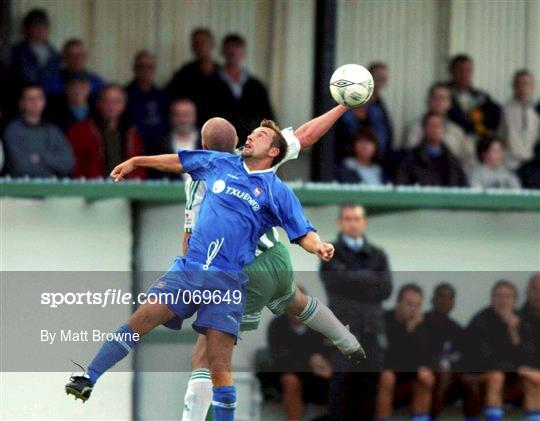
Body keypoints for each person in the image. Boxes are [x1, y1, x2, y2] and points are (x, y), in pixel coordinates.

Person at [65, 117, 336, 421]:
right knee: (140, 320)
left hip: (228, 281)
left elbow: (302, 232)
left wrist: (319, 245)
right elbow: (177, 161)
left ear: (273, 152)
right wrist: (136, 161)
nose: (249, 137)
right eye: (250, 133)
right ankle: (88, 377)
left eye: (258, 135)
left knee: (219, 368)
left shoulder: (277, 192)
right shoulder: (220, 163)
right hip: (190, 269)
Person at [180, 106, 367, 421]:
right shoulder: (256, 158)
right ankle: (345, 339)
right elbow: (306, 135)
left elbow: (190, 236)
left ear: (202, 146)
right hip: (277, 257)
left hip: (245, 272)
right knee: (294, 299)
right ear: (239, 140)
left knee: (205, 358)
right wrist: (343, 105)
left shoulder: (198, 179)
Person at [321, 204, 392, 420]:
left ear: (364, 222)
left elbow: (386, 288)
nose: (353, 223)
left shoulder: (378, 254)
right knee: (340, 391)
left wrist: (350, 276)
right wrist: (370, 278)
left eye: (357, 219)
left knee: (369, 392)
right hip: (342, 331)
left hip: (372, 332)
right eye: (348, 219)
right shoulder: (329, 251)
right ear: (340, 223)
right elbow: (334, 281)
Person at [465, 280, 535, 421]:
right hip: (480, 375)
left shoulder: (522, 320)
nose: (503, 300)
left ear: (515, 301)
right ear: (492, 299)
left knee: (535, 377)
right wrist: (516, 368)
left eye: (508, 296)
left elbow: (530, 357)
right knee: (496, 376)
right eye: (498, 296)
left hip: (511, 375)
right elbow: (485, 360)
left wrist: (513, 332)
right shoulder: (480, 320)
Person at [375, 284, 435, 421]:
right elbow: (385, 357)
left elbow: (424, 358)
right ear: (398, 303)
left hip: (407, 370)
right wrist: (407, 331)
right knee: (387, 376)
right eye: (409, 304)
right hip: (382, 371)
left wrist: (413, 332)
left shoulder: (421, 326)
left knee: (426, 377)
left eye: (417, 306)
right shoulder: (383, 320)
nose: (413, 310)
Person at [67, 84, 144, 179]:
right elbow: (74, 166)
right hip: (93, 188)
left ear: (124, 105)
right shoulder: (81, 130)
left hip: (128, 188)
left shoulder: (132, 133)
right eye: (107, 101)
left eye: (117, 101)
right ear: (99, 103)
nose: (111, 106)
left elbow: (139, 166)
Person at [268, 311, 332, 421]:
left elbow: (328, 349)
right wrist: (309, 361)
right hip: (290, 372)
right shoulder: (277, 325)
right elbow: (281, 357)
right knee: (290, 380)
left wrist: (324, 362)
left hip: (317, 373)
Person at [212, 33, 274, 142]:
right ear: (223, 52)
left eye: (236, 49)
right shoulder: (209, 84)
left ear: (243, 53)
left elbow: (268, 118)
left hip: (252, 144)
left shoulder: (256, 86)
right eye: (229, 49)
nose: (233, 53)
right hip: (220, 144)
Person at [3, 85, 73, 177]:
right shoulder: (13, 130)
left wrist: (40, 157)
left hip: (52, 187)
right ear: (21, 103)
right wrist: (52, 162)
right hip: (20, 188)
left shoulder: (53, 131)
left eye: (39, 98)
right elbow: (19, 167)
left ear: (44, 102)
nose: (35, 102)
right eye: (30, 98)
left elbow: (68, 163)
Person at [423, 284, 469, 419]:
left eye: (449, 298)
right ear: (433, 300)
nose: (444, 301)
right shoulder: (421, 322)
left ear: (453, 303)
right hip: (425, 375)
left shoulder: (458, 330)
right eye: (441, 297)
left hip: (451, 382)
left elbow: (464, 357)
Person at [404, 83, 474, 172]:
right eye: (435, 97)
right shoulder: (414, 128)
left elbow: (469, 159)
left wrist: (458, 177)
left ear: (449, 103)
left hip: (451, 182)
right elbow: (408, 159)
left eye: (443, 98)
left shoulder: (457, 131)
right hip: (422, 180)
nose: (438, 102)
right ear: (428, 100)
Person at [396, 112, 467, 186]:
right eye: (431, 125)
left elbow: (463, 187)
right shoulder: (410, 159)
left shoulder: (453, 161)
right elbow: (402, 185)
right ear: (424, 129)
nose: (435, 130)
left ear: (443, 130)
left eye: (438, 126)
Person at [167, 28, 219, 126]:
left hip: (217, 130)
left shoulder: (222, 73)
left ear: (212, 44)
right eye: (196, 43)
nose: (200, 47)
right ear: (192, 47)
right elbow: (172, 101)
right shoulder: (184, 73)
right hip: (191, 130)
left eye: (204, 42)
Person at [446, 54, 501, 137]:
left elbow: (496, 114)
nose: (465, 74)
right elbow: (458, 119)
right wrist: (479, 120)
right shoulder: (444, 94)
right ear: (452, 71)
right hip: (454, 139)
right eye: (460, 70)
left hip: (478, 141)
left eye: (468, 70)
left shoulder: (480, 95)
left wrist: (479, 122)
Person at [125, 50, 170, 153]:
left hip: (161, 151)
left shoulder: (163, 96)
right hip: (135, 150)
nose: (145, 71)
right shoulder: (125, 95)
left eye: (149, 67)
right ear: (134, 68)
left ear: (154, 70)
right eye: (141, 66)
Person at [9, 9, 61, 91]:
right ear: (27, 29)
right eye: (36, 25)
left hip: (50, 99)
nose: (41, 29)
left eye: (44, 25)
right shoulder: (16, 52)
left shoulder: (54, 54)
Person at [498, 70, 540, 171]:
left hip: (533, 164)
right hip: (509, 163)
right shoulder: (505, 110)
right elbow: (500, 136)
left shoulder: (536, 110)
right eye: (519, 83)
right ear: (514, 86)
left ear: (533, 86)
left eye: (526, 83)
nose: (523, 87)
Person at [518, 274, 540, 421]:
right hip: (519, 375)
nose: (538, 294)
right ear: (527, 291)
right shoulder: (515, 318)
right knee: (532, 382)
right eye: (535, 289)